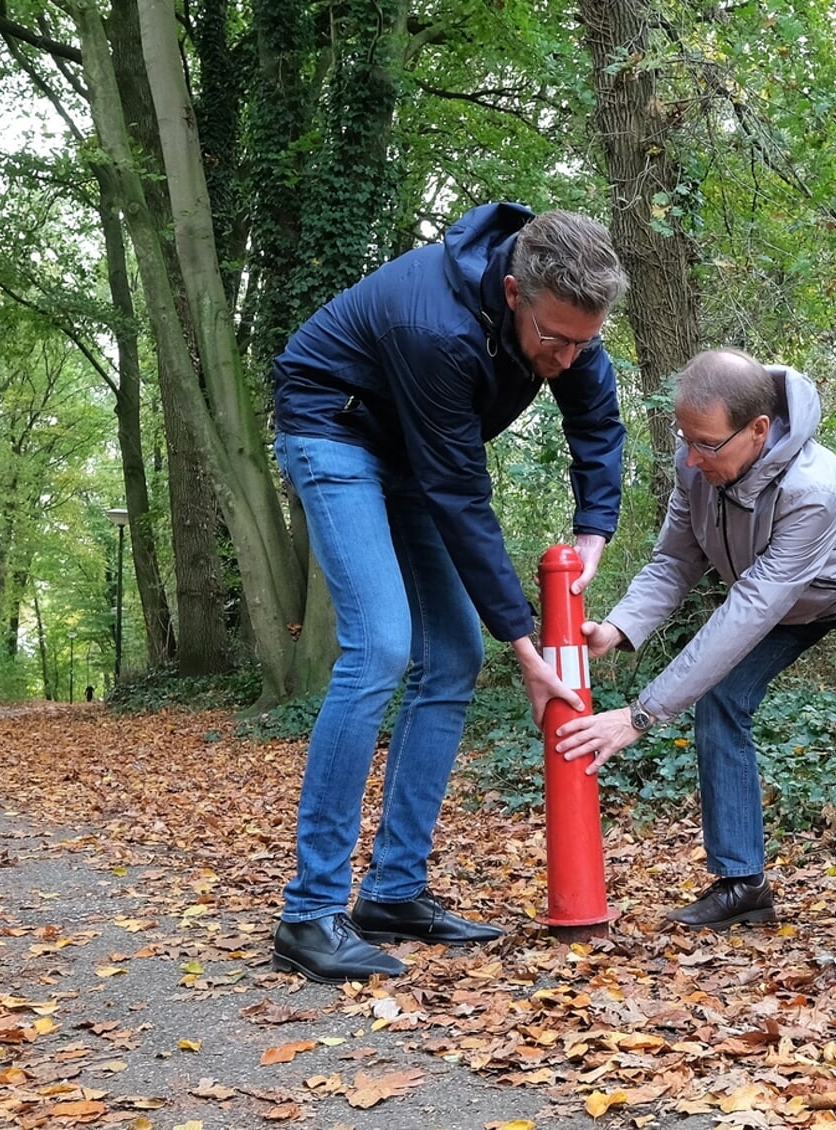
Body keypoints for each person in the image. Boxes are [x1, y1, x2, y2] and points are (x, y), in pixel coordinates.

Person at [270, 204, 628, 982]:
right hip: (334, 423)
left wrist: (594, 529)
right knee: (382, 647)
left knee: (455, 654)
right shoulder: (435, 327)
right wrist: (527, 646)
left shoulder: (570, 322)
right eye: (554, 341)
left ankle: (394, 892)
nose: (568, 358)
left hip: (412, 446)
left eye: (584, 342)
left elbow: (597, 424)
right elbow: (459, 492)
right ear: (511, 293)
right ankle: (309, 912)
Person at [553, 348, 836, 955]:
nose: (692, 458)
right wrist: (618, 627)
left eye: (707, 445)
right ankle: (742, 883)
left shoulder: (813, 489)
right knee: (721, 695)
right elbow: (676, 558)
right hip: (788, 599)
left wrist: (641, 714)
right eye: (685, 440)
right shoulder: (698, 463)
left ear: (758, 430)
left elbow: (750, 608)